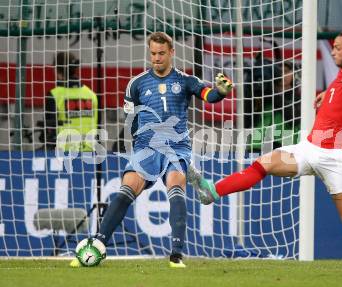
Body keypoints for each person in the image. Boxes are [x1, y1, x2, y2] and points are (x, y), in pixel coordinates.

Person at [188, 30, 342, 271]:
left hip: (337, 159)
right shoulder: (340, 78)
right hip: (310, 147)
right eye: (333, 46)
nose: (333, 51)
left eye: (337, 47)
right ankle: (212, 191)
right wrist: (326, 95)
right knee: (265, 162)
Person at [71, 32, 233, 268]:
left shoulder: (185, 80)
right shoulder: (136, 84)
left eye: (161, 54)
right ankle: (97, 244)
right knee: (126, 190)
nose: (156, 58)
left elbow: (209, 95)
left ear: (171, 53)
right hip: (146, 148)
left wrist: (221, 92)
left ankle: (176, 255)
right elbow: (131, 119)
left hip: (176, 148)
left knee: (176, 186)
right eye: (153, 54)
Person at [40, 52, 98, 151]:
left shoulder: (55, 95)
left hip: (65, 153)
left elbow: (50, 130)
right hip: (90, 152)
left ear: (57, 71)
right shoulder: (91, 95)